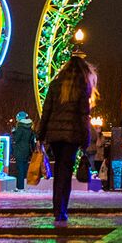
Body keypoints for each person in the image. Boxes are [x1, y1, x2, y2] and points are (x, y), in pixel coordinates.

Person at [36, 56, 96, 226]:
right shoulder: (82, 87)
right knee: (66, 172)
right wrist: (86, 138)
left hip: (55, 135)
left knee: (59, 172)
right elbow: (84, 116)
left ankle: (57, 208)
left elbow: (46, 111)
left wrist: (41, 134)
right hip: (72, 135)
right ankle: (62, 210)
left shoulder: (55, 85)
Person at [10, 112, 36, 191]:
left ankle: (20, 187)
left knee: (19, 168)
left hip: (20, 150)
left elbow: (16, 139)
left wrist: (14, 132)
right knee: (24, 168)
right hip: (27, 150)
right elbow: (32, 140)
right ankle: (22, 186)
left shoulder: (20, 128)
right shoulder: (30, 128)